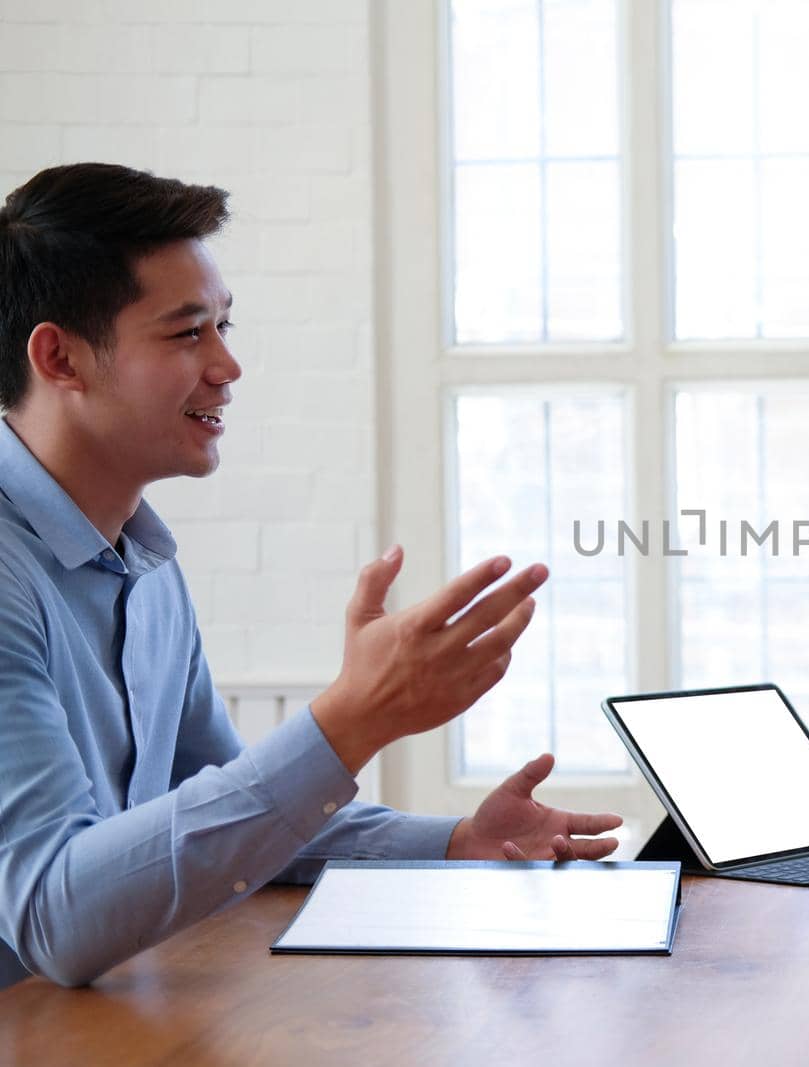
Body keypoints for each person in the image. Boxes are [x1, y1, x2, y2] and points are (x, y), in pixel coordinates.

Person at [0, 163, 622, 990]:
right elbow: (53, 916)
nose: (228, 365)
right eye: (189, 333)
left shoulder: (147, 569)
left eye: (225, 326)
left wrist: (450, 842)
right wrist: (349, 721)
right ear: (61, 358)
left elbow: (230, 819)